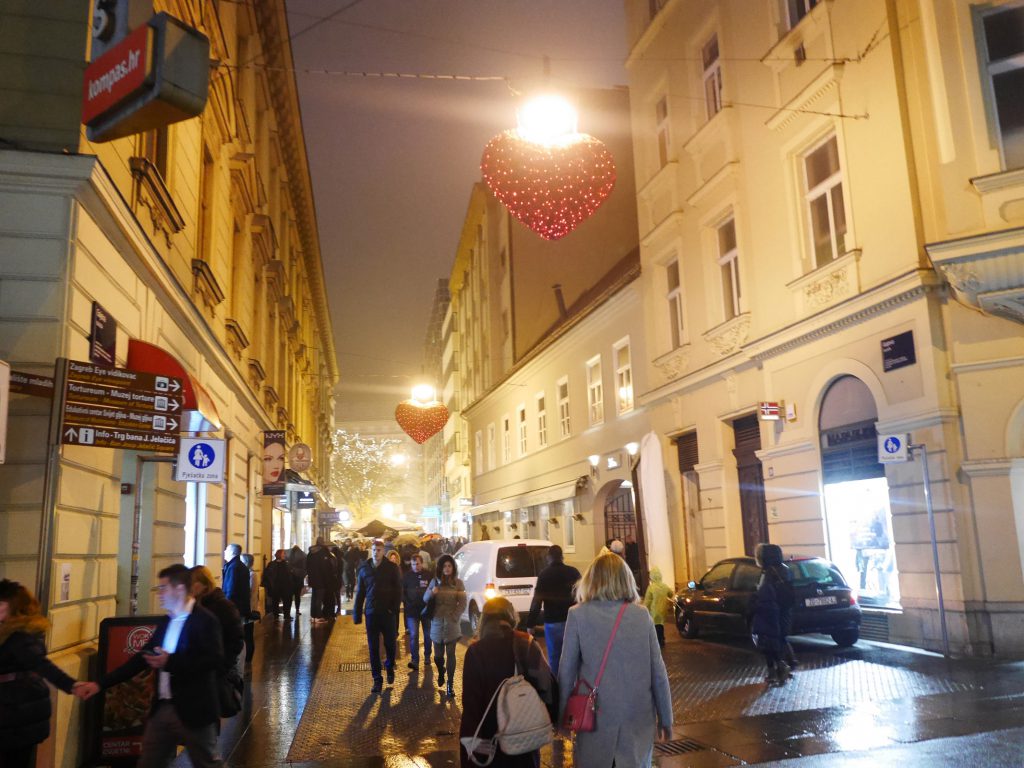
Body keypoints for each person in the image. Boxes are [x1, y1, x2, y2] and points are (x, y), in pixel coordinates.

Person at [78, 564, 225, 768]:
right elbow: (140, 659)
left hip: (194, 711)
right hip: (163, 708)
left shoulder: (205, 620)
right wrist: (99, 684)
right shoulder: (166, 621)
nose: (159, 593)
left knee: (206, 763)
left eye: (163, 588)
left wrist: (170, 662)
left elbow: (214, 660)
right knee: (150, 762)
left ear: (180, 589)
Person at [558, 553, 672, 768]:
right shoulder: (642, 616)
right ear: (626, 579)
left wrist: (563, 717)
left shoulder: (577, 615)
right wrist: (666, 718)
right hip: (637, 717)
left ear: (591, 580)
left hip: (595, 718)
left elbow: (566, 672)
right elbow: (658, 671)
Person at [0, 579, 90, 768]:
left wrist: (71, 685)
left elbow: (42, 665)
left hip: (17, 713)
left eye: (1, 604)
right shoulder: (8, 633)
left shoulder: (20, 636)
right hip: (15, 711)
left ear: (15, 607)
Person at [460, 597, 557, 768]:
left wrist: (470, 739)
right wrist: (551, 717)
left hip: (488, 742)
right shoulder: (525, 643)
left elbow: (470, 702)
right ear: (512, 618)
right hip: (522, 735)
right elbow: (546, 685)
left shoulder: (475, 652)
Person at [353, 539, 403, 693]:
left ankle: (389, 666)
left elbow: (398, 590)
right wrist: (357, 613)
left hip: (387, 614)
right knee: (373, 647)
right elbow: (360, 592)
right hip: (371, 613)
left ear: (383, 551)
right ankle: (377, 679)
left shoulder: (392, 568)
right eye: (374, 550)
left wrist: (393, 610)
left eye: (379, 550)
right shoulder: (364, 569)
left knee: (390, 644)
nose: (376, 552)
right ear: (371, 550)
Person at [525, 545, 580, 677]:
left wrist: (530, 624)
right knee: (574, 656)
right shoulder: (573, 572)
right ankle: (575, 686)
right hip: (571, 621)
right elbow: (583, 596)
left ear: (549, 557)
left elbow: (537, 601)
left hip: (552, 623)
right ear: (562, 557)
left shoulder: (544, 575)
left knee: (555, 658)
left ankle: (557, 686)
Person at [189, 566, 245, 682]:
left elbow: (236, 639)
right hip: (202, 672)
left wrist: (222, 667)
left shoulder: (223, 606)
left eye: (192, 583)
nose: (189, 588)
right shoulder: (192, 606)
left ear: (203, 584)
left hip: (219, 674)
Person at [425, 553, 467, 698]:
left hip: (451, 624)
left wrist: (455, 616)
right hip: (436, 623)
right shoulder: (434, 582)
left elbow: (462, 603)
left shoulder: (458, 583)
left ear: (453, 568)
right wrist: (432, 592)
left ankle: (450, 683)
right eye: (444, 566)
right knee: (437, 656)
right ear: (440, 568)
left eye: (449, 566)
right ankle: (441, 671)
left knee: (451, 654)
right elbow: (425, 599)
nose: (447, 568)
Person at [752, 544, 791, 686]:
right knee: (779, 641)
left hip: (769, 612)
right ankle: (783, 668)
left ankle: (776, 671)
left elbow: (764, 594)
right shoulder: (785, 569)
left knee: (767, 643)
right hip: (784, 611)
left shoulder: (768, 572)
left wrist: (756, 602)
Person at [402, 554, 433, 670]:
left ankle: (427, 656)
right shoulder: (407, 576)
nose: (416, 566)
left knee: (427, 635)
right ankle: (415, 660)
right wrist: (407, 602)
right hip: (412, 612)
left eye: (418, 564)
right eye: (413, 564)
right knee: (414, 635)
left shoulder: (428, 575)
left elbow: (433, 590)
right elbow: (402, 591)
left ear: (422, 563)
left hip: (426, 611)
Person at [643, 567, 675, 650]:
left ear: (652, 577)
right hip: (663, 610)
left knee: (656, 626)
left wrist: (644, 609)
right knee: (661, 624)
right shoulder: (664, 586)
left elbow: (648, 600)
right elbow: (671, 594)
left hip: (654, 611)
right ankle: (662, 638)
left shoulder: (651, 588)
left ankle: (659, 640)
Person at [307, 537, 337, 624]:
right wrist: (328, 579)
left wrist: (310, 577)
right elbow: (325, 568)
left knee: (314, 597)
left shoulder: (311, 552)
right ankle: (318, 616)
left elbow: (307, 566)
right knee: (319, 599)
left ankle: (313, 616)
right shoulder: (323, 552)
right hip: (321, 580)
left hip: (313, 579)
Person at [222, 543, 251, 624]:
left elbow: (230, 589)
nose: (224, 551)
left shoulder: (233, 567)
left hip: (234, 607)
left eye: (227, 550)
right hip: (240, 606)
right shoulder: (238, 566)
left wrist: (226, 606)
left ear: (232, 552)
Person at [262, 549, 294, 619]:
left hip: (285, 586)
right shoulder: (272, 564)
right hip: (276, 586)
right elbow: (268, 575)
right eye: (283, 554)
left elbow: (290, 574)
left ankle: (286, 615)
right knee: (275, 601)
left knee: (287, 601)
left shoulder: (286, 563)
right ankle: (276, 614)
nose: (285, 555)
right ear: (279, 554)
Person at [241, 553, 259, 662]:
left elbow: (249, 591)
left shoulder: (251, 574)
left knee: (248, 634)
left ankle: (248, 658)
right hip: (248, 607)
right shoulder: (248, 573)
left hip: (249, 608)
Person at [287, 545, 307, 616]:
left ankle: (288, 611)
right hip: (298, 579)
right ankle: (297, 610)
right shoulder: (303, 556)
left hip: (290, 580)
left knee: (289, 597)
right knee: (297, 596)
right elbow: (305, 569)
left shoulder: (289, 555)